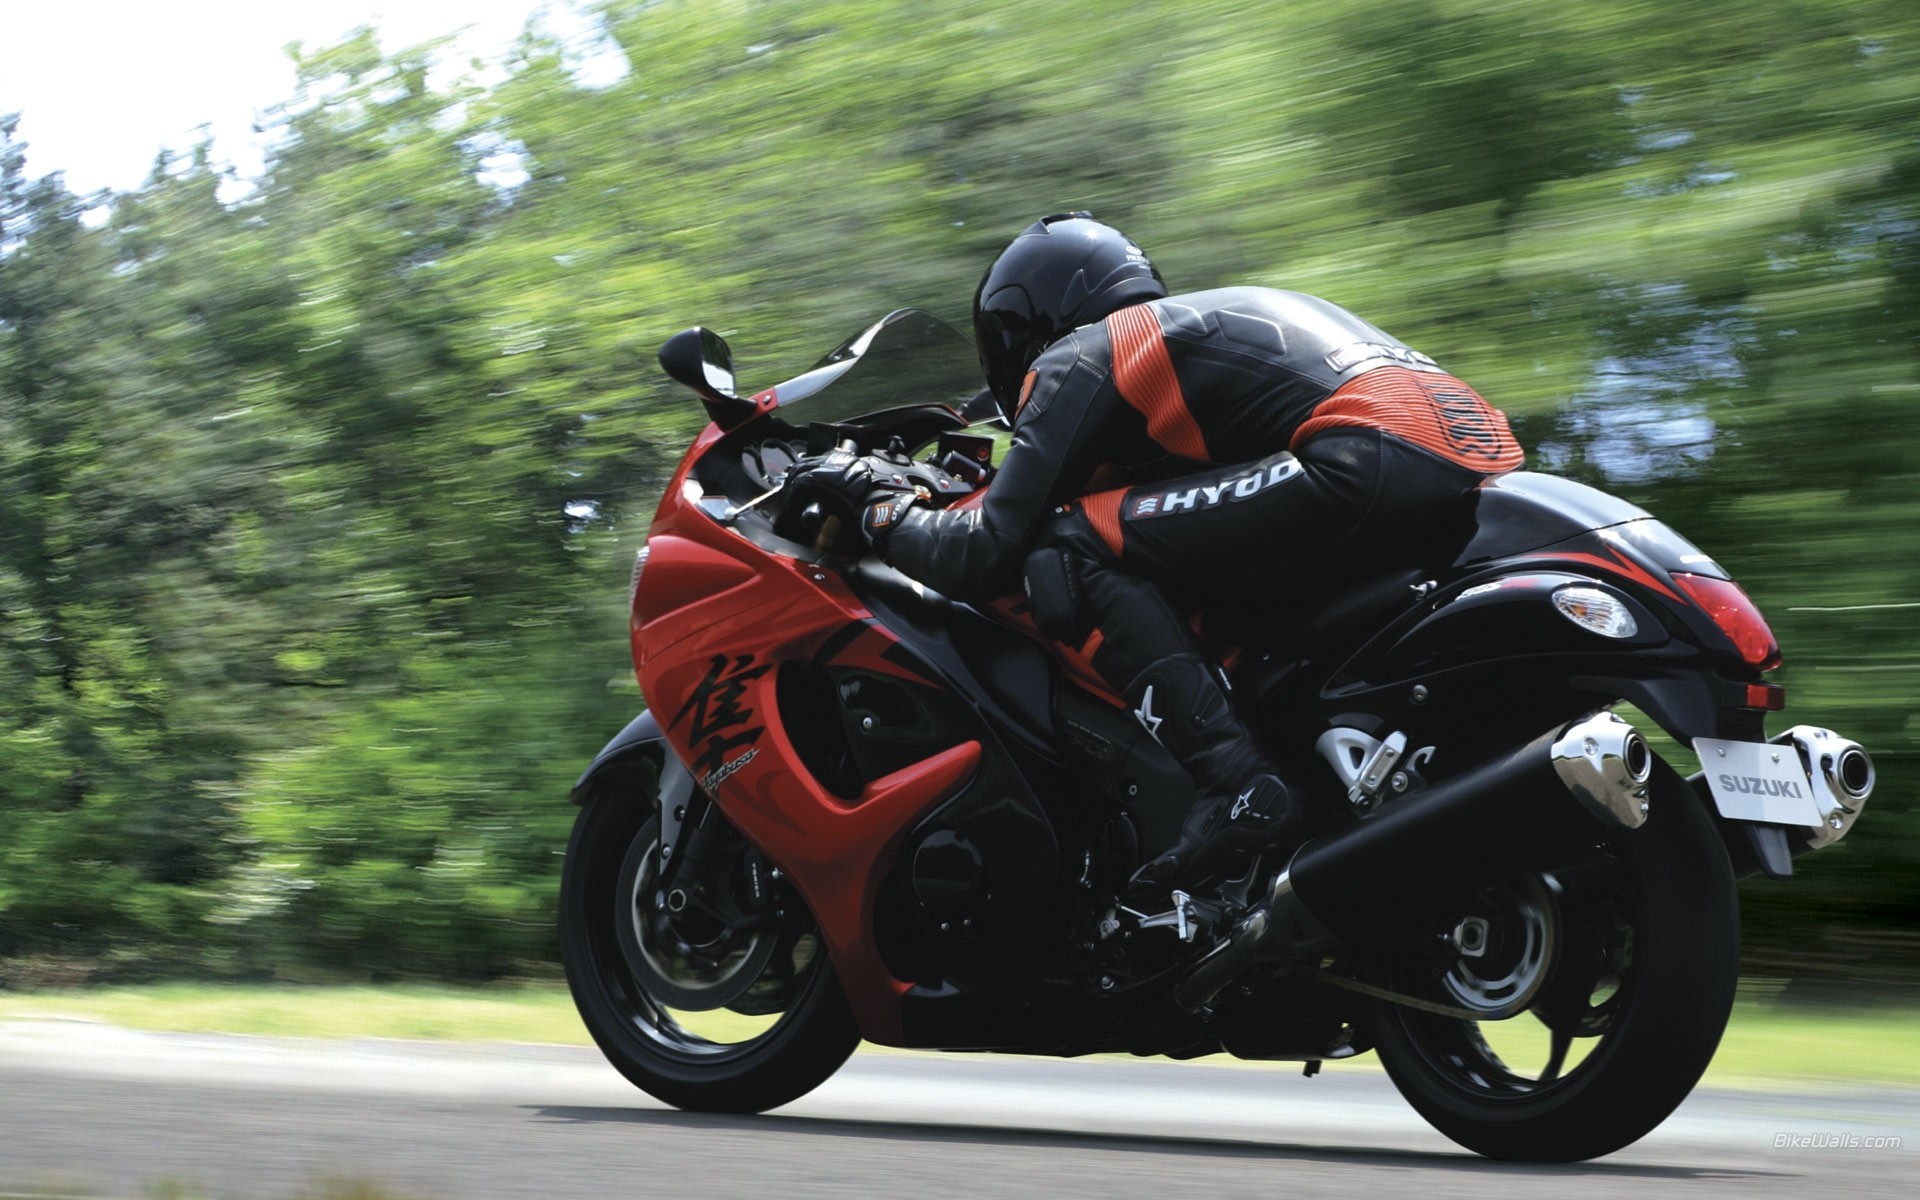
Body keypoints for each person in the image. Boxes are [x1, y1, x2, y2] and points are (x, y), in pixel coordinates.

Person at [792, 212, 1525, 903]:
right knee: (1140, 549)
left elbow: (986, 552)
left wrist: (874, 501)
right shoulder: (1184, 333)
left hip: (1362, 454)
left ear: (1029, 326)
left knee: (1068, 546)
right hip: (1459, 449)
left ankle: (1238, 784)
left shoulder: (1083, 352)